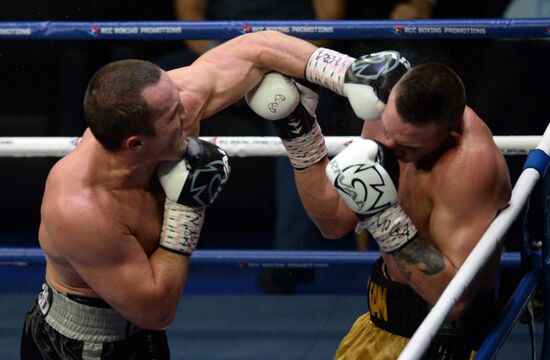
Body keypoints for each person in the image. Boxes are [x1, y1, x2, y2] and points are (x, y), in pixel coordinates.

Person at [19, 30, 328, 359]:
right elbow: (156, 311)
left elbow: (257, 48)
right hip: (82, 347)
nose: (188, 115)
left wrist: (351, 74)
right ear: (136, 144)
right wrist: (187, 208)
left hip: (141, 336)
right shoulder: (81, 208)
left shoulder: (167, 106)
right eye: (173, 116)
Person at [247, 52, 512, 358]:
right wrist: (300, 134)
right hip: (377, 325)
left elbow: (454, 302)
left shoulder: (470, 166)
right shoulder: (383, 114)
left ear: (448, 137)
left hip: (443, 343)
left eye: (407, 146)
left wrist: (385, 218)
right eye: (387, 131)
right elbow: (333, 222)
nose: (389, 147)